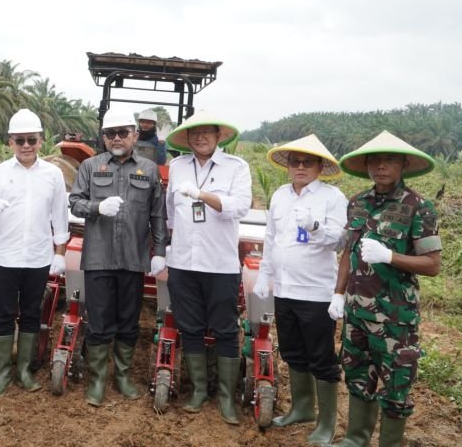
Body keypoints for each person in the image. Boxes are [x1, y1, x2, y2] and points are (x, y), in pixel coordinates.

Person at [329, 131, 441, 446]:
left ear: (403, 164)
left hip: (395, 319)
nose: (381, 166)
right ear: (365, 165)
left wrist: (390, 256)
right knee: (357, 378)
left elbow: (433, 264)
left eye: (389, 159)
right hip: (356, 313)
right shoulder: (358, 203)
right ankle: (355, 439)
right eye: (374, 160)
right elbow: (348, 254)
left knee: (396, 387)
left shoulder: (418, 207)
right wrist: (338, 293)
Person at [251, 134, 347, 444]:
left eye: (308, 162)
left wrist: (315, 227)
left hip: (316, 291)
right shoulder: (280, 195)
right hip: (284, 288)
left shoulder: (332, 198)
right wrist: (265, 275)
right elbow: (271, 239)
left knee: (321, 356)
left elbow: (341, 242)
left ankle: (326, 423)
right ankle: (302, 408)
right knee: (293, 351)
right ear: (288, 166)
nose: (301, 166)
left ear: (321, 166)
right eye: (295, 161)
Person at [69, 108, 167, 407]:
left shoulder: (149, 170)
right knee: (98, 322)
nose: (117, 138)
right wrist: (97, 208)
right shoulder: (89, 165)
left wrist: (160, 252)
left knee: (128, 321)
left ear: (135, 135)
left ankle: (121, 376)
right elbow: (75, 203)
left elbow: (157, 215)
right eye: (110, 133)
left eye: (123, 132)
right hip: (99, 257)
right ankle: (97, 380)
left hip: (133, 258)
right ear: (103, 137)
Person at [0, 109, 69, 401]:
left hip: (38, 257)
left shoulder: (53, 174)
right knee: (4, 313)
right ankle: (3, 373)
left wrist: (60, 253)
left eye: (31, 139)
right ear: (10, 141)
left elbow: (60, 216)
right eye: (20, 140)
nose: (26, 145)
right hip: (5, 256)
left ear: (41, 141)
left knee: (31, 313)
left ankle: (24, 371)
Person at [164, 110, 251, 424]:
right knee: (190, 327)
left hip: (219, 262)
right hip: (184, 262)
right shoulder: (178, 167)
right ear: (187, 138)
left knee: (226, 328)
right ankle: (200, 390)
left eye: (206, 132)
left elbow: (239, 206)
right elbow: (171, 213)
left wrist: (203, 195)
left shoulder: (235, 167)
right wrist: (167, 248)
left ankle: (226, 398)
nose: (200, 137)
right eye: (194, 133)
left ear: (218, 136)